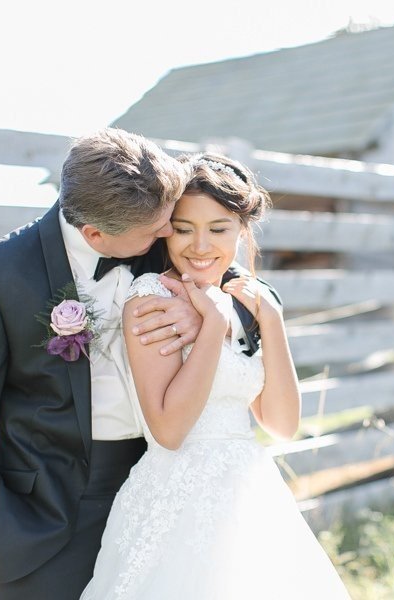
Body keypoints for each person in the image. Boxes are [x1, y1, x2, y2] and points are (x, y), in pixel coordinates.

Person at [0, 129, 212, 599]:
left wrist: (216, 310)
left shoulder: (161, 232)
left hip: (163, 491)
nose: (170, 234)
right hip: (47, 514)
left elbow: (243, 281)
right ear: (96, 235)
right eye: (155, 230)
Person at [80, 153, 351, 599]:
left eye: (218, 229)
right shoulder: (151, 300)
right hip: (177, 499)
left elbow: (281, 426)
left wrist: (273, 320)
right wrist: (211, 328)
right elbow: (168, 430)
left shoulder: (243, 298)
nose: (200, 246)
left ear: (243, 230)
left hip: (249, 493)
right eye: (184, 229)